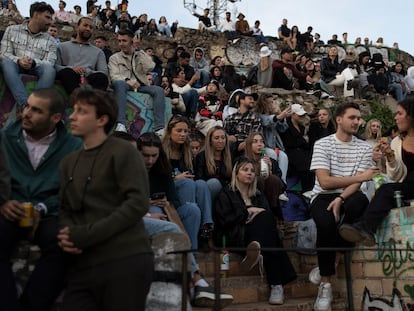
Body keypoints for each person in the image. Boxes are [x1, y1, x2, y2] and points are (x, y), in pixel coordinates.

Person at [58, 88, 153, 310]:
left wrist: (85, 235)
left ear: (101, 119)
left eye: (81, 112)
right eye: (73, 110)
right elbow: (64, 208)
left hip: (125, 259)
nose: (72, 116)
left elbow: (137, 203)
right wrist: (66, 233)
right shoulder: (68, 162)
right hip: (83, 265)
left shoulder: (123, 152)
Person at [0, 88, 81, 310]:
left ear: (55, 118)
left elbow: (72, 190)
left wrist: (43, 208)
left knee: (63, 245)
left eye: (36, 110)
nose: (26, 113)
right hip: (10, 208)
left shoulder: (73, 146)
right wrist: (3, 202)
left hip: (49, 212)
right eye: (27, 106)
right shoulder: (5, 137)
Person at [137, 132, 233, 307]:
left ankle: (191, 264)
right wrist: (148, 203)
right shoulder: (130, 170)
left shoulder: (162, 169)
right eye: (145, 156)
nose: (150, 160)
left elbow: (174, 200)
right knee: (157, 211)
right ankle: (196, 278)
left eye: (154, 155)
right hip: (144, 214)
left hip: (164, 210)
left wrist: (165, 201)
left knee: (192, 209)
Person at [309, 102, 380, 311]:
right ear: (338, 119)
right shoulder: (322, 144)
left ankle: (333, 261)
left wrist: (340, 199)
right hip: (322, 195)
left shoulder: (365, 147)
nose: (357, 121)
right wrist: (359, 177)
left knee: (360, 203)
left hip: (350, 195)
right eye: (352, 117)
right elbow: (325, 182)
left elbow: (358, 183)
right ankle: (326, 284)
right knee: (326, 223)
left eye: (358, 118)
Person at [214, 157, 297, 305]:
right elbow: (224, 221)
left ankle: (254, 253)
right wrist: (248, 211)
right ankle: (277, 285)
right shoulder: (226, 193)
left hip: (258, 237)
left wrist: (257, 213)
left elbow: (268, 218)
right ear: (236, 173)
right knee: (269, 233)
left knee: (266, 219)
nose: (249, 173)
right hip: (235, 235)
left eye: (252, 171)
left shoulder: (258, 195)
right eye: (245, 170)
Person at [339, 97, 414, 246]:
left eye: (399, 113)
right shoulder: (397, 142)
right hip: (409, 187)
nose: (395, 117)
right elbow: (396, 175)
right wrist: (390, 155)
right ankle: (365, 228)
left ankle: (364, 226)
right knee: (385, 189)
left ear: (411, 116)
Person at [162, 114, 214, 241]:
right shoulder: (161, 150)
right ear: (169, 132)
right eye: (178, 131)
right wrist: (175, 177)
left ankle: (206, 226)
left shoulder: (186, 150)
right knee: (188, 184)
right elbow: (160, 178)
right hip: (170, 189)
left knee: (201, 184)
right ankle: (191, 217)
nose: (183, 134)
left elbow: (190, 172)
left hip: (186, 187)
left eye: (185, 131)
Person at [108, 29, 166, 134]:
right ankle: (120, 124)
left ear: (131, 41)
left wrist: (138, 50)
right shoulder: (114, 58)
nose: (121, 44)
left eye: (124, 41)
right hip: (124, 84)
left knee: (158, 90)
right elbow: (114, 76)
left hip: (141, 86)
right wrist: (127, 80)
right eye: (119, 41)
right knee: (119, 83)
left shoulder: (139, 54)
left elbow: (150, 67)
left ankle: (159, 128)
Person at [0, 1, 57, 109]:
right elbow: (4, 53)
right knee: (6, 62)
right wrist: (18, 60)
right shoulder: (12, 30)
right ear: (36, 15)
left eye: (51, 18)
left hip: (36, 67)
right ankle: (26, 105)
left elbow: (50, 62)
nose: (50, 22)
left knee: (50, 70)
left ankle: (32, 104)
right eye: (47, 17)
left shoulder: (51, 41)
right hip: (14, 65)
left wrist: (34, 63)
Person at [56, 17, 108, 95]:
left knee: (101, 78)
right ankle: (78, 99)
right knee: (67, 72)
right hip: (69, 77)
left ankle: (94, 103)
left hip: (88, 78)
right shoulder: (62, 47)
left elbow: (103, 72)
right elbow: (56, 66)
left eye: (91, 27)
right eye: (85, 25)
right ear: (77, 27)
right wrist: (73, 69)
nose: (88, 29)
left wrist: (86, 71)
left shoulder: (98, 52)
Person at [244, 132, 286, 218]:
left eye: (261, 141)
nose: (259, 144)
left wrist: (270, 170)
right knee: (259, 180)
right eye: (255, 142)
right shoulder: (243, 161)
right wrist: (258, 168)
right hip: (251, 194)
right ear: (249, 145)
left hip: (271, 202)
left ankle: (273, 215)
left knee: (273, 179)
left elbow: (281, 184)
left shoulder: (271, 161)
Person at [255, 93, 290, 184]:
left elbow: (283, 128)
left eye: (272, 102)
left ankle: (282, 184)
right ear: (264, 104)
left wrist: (279, 115)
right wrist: (279, 116)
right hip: (263, 148)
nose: (272, 104)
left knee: (283, 156)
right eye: (269, 102)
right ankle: (273, 181)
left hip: (275, 147)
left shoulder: (274, 116)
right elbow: (266, 121)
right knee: (272, 154)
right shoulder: (258, 116)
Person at [280, 104, 314, 192]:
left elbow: (306, 143)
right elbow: (288, 142)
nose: (302, 117)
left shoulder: (302, 127)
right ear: (293, 114)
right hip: (291, 152)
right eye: (299, 115)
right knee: (304, 163)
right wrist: (302, 141)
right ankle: (306, 189)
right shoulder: (285, 126)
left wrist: (302, 141)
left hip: (302, 151)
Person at [195, 126, 232, 201]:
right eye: (217, 138)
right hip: (208, 191)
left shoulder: (230, 156)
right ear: (210, 141)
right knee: (214, 183)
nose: (220, 141)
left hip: (225, 192)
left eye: (223, 138)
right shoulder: (201, 156)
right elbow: (199, 178)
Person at [223, 90, 261, 158]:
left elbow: (257, 134)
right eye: (250, 99)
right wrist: (228, 137)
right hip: (233, 145)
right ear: (242, 100)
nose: (253, 101)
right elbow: (224, 132)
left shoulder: (255, 117)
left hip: (248, 145)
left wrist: (247, 142)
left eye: (253, 99)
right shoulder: (231, 117)